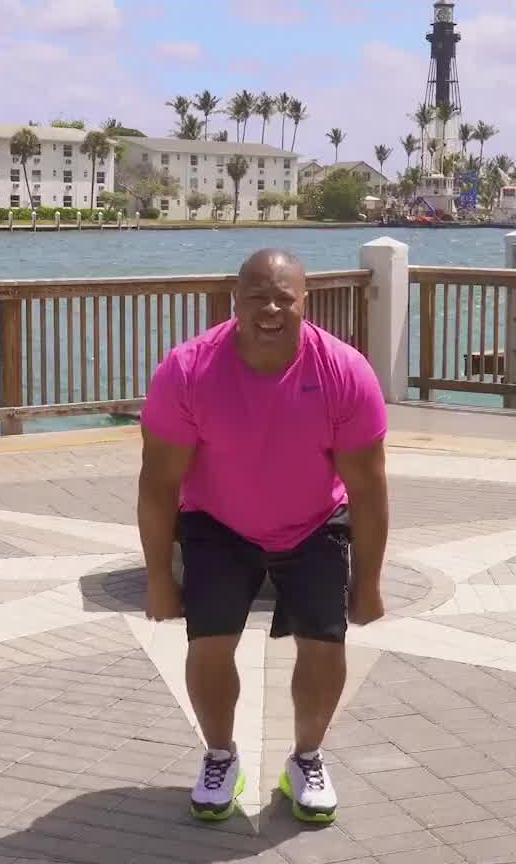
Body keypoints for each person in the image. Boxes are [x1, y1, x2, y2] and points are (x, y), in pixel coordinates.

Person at [138, 249, 390, 825]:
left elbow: (370, 490)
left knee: (326, 646)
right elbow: (157, 485)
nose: (270, 310)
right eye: (257, 298)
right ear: (235, 302)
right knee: (209, 644)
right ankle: (220, 756)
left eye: (285, 299)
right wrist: (158, 578)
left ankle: (306, 759)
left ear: (305, 304)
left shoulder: (345, 372)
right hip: (216, 524)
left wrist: (369, 583)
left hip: (313, 523)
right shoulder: (187, 370)